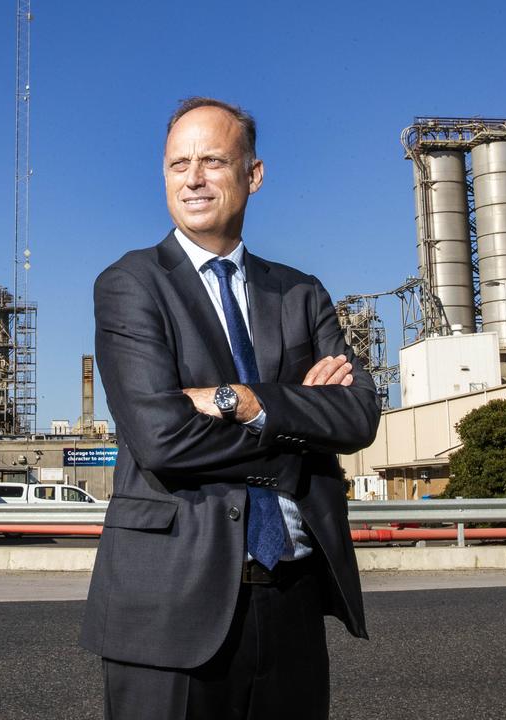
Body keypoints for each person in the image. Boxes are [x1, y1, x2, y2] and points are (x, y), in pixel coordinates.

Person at [79, 97, 382, 719]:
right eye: (177, 163)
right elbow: (163, 439)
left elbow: (357, 416)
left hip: (293, 595)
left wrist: (240, 402)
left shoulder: (300, 292)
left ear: (254, 173)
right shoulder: (132, 284)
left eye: (213, 160)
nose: (192, 178)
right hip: (170, 602)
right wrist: (299, 426)